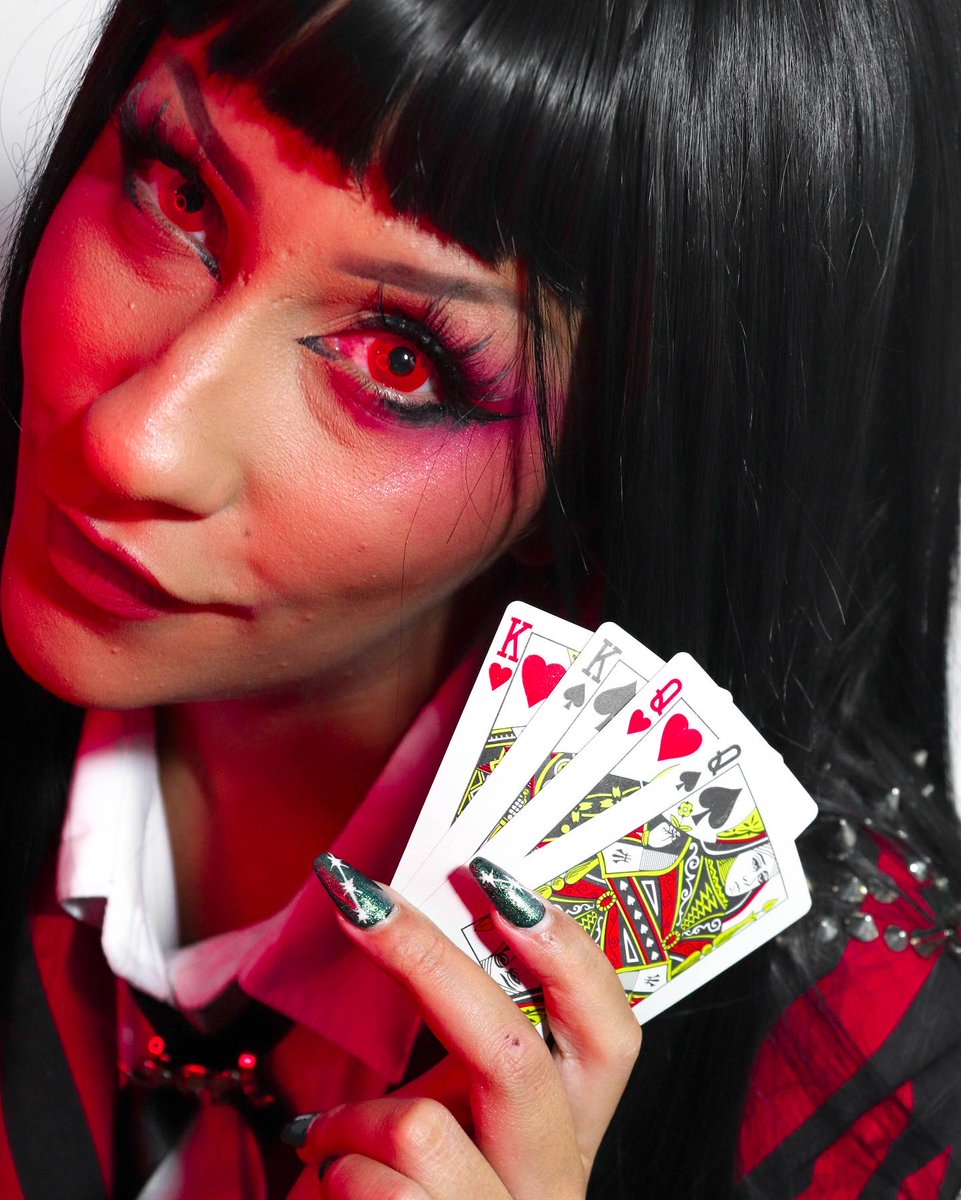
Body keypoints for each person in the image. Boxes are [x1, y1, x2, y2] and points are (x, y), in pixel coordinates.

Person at [0, 1, 959, 1197]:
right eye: (183, 193)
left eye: (400, 358)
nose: (135, 442)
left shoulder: (859, 1080)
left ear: (601, 482)